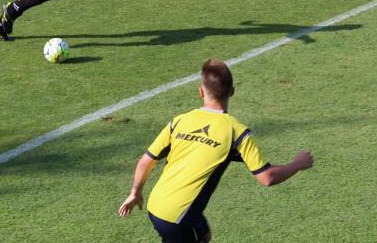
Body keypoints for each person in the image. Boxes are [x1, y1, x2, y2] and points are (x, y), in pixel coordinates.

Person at [119, 59, 314, 243]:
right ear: (233, 92)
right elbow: (267, 178)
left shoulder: (179, 121)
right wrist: (297, 163)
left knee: (203, 232)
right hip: (178, 217)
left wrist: (135, 193)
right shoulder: (236, 131)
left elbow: (146, 160)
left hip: (157, 204)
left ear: (201, 92)